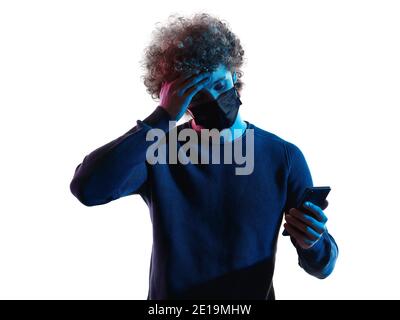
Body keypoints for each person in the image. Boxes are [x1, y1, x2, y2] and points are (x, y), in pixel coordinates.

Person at [69, 12, 338, 300]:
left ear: (235, 75)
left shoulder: (282, 157)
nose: (213, 100)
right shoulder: (158, 149)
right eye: (197, 95)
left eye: (220, 85)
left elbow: (323, 266)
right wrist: (161, 118)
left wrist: (313, 242)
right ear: (175, 96)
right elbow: (89, 188)